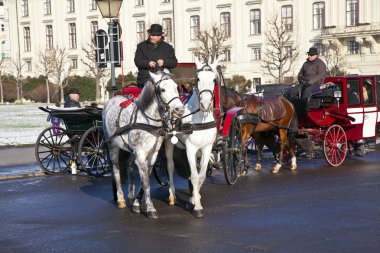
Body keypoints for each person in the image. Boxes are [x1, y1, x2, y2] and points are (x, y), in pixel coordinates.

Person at [134, 24, 178, 88]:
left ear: (159, 36)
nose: (151, 37)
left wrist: (164, 62)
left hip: (163, 78)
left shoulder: (168, 47)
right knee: (151, 87)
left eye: (153, 35)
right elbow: (137, 61)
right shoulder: (141, 46)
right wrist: (148, 63)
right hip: (146, 78)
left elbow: (174, 62)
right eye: (150, 34)